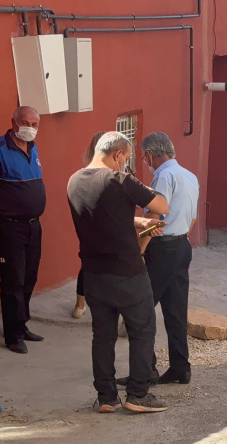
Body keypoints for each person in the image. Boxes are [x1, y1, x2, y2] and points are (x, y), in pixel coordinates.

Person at [67, 131, 170, 413]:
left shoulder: (74, 181)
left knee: (102, 336)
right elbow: (161, 205)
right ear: (117, 155)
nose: (126, 163)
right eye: (126, 157)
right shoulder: (120, 180)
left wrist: (136, 223)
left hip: (94, 273)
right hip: (127, 272)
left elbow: (105, 217)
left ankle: (106, 397)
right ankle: (138, 395)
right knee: (142, 331)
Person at [118, 132, 199, 387]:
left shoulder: (163, 176)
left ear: (150, 154)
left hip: (161, 248)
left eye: (144, 156)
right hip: (182, 246)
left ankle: (145, 372)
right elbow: (192, 217)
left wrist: (140, 250)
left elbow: (155, 214)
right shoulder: (189, 175)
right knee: (176, 311)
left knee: (139, 311)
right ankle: (180, 368)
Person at [0, 106, 46, 354]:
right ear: (13, 122)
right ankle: (12, 336)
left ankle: (21, 324)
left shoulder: (33, 148)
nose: (30, 128)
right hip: (9, 227)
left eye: (34, 124)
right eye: (25, 122)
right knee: (13, 280)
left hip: (34, 226)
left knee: (29, 276)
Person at [72, 131, 106, 319]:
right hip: (108, 225)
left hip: (88, 225)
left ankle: (79, 305)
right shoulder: (116, 173)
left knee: (87, 263)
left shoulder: (85, 173)